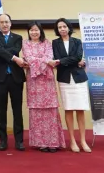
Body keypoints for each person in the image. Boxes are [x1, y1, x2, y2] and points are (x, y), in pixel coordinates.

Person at [22, 21, 65, 152]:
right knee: (36, 110)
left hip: (47, 80)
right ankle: (41, 142)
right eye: (31, 30)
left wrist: (40, 62)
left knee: (51, 110)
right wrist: (45, 62)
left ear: (40, 31)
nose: (34, 32)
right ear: (28, 32)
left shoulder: (47, 43)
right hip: (34, 81)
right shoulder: (25, 43)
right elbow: (29, 58)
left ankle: (53, 142)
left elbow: (49, 56)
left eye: (36, 30)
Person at [52, 17, 91, 153]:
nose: (62, 29)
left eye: (64, 26)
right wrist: (72, 61)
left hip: (79, 78)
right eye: (59, 27)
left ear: (69, 28)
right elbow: (57, 58)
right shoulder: (55, 43)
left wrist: (63, 61)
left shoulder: (77, 41)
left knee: (80, 110)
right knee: (68, 109)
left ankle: (83, 141)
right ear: (57, 30)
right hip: (64, 79)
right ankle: (73, 141)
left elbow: (78, 56)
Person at [0, 13, 26, 151]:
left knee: (17, 110)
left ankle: (19, 141)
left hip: (16, 77)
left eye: (7, 22)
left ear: (10, 23)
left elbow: (14, 50)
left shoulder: (18, 37)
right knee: (1, 110)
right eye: (2, 22)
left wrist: (2, 52)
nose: (4, 24)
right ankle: (3, 141)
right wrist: (12, 56)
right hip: (0, 78)